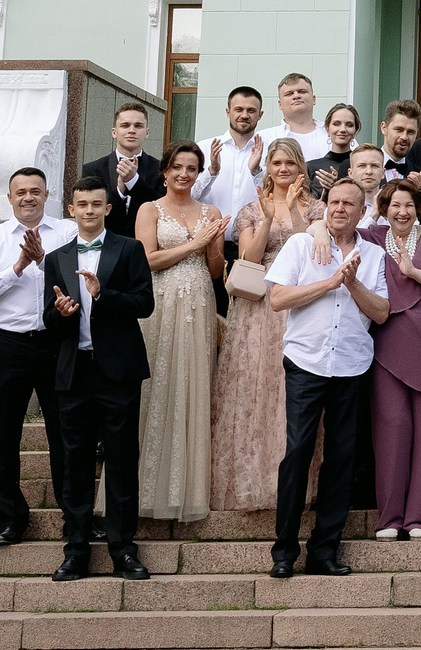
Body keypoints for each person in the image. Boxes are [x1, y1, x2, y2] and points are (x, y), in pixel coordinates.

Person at [264, 179, 388, 579]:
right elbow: (278, 298)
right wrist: (330, 282)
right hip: (306, 362)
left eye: (348, 204)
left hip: (351, 365)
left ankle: (324, 551)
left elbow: (382, 313)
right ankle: (284, 552)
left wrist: (352, 285)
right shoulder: (302, 244)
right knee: (297, 452)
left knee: (340, 459)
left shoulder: (374, 255)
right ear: (324, 206)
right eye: (333, 202)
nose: (339, 209)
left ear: (361, 211)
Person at [44, 175, 155, 581]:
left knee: (123, 460)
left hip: (118, 373)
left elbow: (145, 303)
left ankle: (123, 550)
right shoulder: (55, 258)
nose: (89, 210)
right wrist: (62, 312)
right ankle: (75, 551)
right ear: (70, 210)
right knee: (75, 463)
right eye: (81, 204)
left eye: (96, 204)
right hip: (74, 373)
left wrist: (102, 295)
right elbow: (47, 320)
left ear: (108, 209)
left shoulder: (129, 249)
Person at [0, 167, 76, 547]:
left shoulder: (66, 232)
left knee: (64, 434)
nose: (28, 198)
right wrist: (18, 267)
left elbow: (77, 280)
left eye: (36, 191)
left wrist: (44, 260)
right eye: (21, 192)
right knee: (4, 434)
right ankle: (12, 517)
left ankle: (73, 514)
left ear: (48, 195)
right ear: (9, 198)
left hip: (54, 344)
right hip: (7, 345)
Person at [212, 138, 321, 513]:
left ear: (300, 167)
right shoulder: (251, 209)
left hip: (300, 305)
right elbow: (249, 259)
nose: (283, 169)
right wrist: (271, 217)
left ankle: (291, 486)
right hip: (259, 309)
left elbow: (316, 252)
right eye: (276, 163)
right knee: (255, 390)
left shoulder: (317, 208)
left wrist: (295, 213)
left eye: (290, 162)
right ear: (269, 168)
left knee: (289, 395)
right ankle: (252, 482)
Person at [133, 140, 226, 525]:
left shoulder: (211, 211)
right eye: (177, 167)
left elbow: (217, 270)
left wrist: (214, 244)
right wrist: (195, 243)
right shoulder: (149, 209)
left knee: (195, 384)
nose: (184, 174)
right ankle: (145, 490)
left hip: (201, 302)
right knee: (158, 384)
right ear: (166, 171)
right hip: (160, 303)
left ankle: (189, 488)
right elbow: (147, 260)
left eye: (191, 168)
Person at [358, 180, 421, 541]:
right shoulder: (369, 236)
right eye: (394, 205)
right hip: (385, 340)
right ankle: (389, 518)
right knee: (390, 430)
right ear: (383, 208)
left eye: (409, 205)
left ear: (419, 207)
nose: (402, 212)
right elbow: (331, 226)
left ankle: (418, 519)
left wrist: (413, 272)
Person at [82, 104, 163, 239]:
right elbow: (90, 212)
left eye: (138, 126)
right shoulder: (93, 169)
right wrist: (119, 190)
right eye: (125, 125)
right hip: (105, 247)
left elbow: (161, 210)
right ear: (114, 132)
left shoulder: (161, 169)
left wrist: (133, 182)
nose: (132, 130)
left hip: (145, 249)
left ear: (147, 133)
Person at [193, 85, 269, 217]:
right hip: (212, 235)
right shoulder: (204, 148)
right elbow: (190, 196)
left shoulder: (270, 151)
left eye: (251, 110)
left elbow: (275, 198)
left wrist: (256, 172)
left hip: (255, 235)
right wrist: (211, 172)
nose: (244, 115)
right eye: (238, 109)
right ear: (228, 112)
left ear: (260, 115)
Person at [375, 100, 421, 221]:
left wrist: (417, 194)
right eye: (399, 130)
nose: (404, 137)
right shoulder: (359, 168)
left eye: (410, 132)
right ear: (384, 128)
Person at [271, 72, 331, 164]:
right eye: (289, 94)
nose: (296, 96)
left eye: (302, 91)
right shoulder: (265, 138)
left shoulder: (334, 134)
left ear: (313, 99)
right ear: (280, 104)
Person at [305, 101, 361, 199]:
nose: (343, 129)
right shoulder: (310, 167)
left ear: (355, 130)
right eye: (336, 124)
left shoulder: (363, 166)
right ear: (327, 129)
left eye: (349, 125)